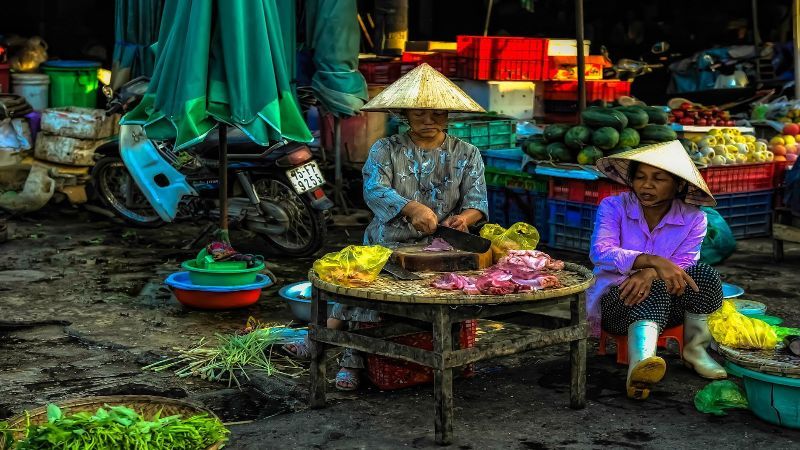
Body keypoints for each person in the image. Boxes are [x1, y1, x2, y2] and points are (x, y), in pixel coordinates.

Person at [284, 63, 489, 390]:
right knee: (362, 298)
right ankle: (348, 359)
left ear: (448, 115)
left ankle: (441, 357)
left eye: (437, 114)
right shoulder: (385, 149)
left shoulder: (467, 153)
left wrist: (464, 219)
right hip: (386, 242)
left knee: (443, 302)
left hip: (441, 249)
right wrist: (410, 207)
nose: (428, 121)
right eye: (419, 114)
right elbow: (373, 189)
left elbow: (478, 201)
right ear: (404, 113)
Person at [588, 140, 727, 401]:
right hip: (617, 305)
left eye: (658, 179)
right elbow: (601, 252)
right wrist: (650, 260)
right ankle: (641, 363)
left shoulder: (694, 218)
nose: (646, 185)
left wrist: (651, 271)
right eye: (640, 177)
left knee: (705, 275)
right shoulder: (613, 207)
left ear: (678, 184)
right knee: (653, 287)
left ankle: (694, 351)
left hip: (667, 311)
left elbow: (686, 263)